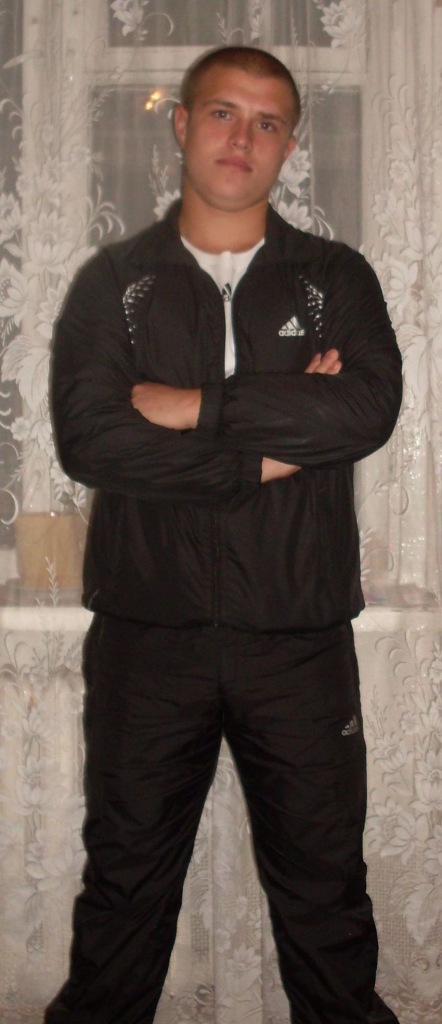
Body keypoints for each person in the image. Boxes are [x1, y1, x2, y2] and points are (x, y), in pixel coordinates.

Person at [45, 45, 402, 1024]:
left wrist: (187, 406)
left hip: (299, 641)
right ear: (181, 124)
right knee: (123, 893)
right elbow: (92, 439)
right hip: (146, 638)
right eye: (222, 113)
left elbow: (364, 411)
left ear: (289, 145)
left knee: (326, 900)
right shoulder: (115, 281)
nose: (242, 137)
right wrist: (268, 451)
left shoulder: (334, 278)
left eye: (266, 121)